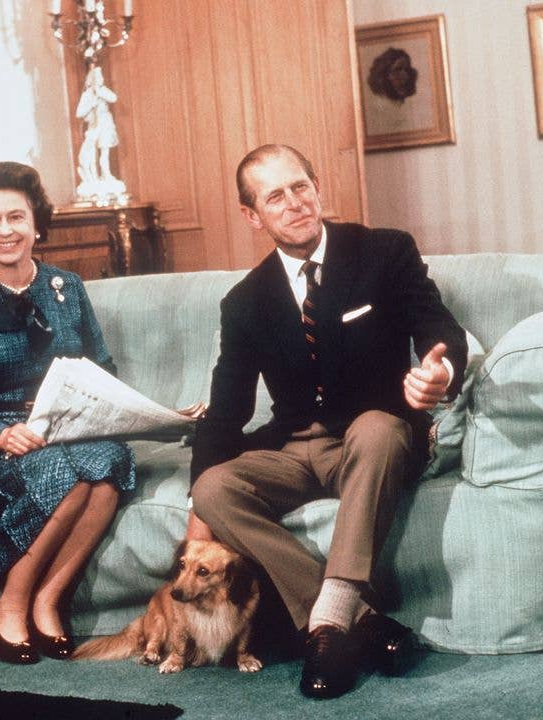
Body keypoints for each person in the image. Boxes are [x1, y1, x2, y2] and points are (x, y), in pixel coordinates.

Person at [187, 144, 467, 699]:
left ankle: (326, 625)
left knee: (378, 427)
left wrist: (443, 370)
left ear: (317, 187)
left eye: (300, 187)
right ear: (252, 216)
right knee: (214, 487)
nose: (294, 204)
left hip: (375, 441)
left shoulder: (383, 251)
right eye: (275, 197)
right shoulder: (243, 302)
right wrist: (197, 513)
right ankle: (363, 621)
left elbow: (437, 326)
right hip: (294, 450)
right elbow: (227, 411)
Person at [0, 161, 136, 665]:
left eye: (16, 217)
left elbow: (100, 367)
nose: (5, 231)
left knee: (110, 464)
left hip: (63, 428)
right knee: (69, 476)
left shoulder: (67, 287)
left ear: (36, 223)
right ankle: (10, 607)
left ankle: (47, 599)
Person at [75, 65, 127, 202]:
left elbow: (113, 98)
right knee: (91, 153)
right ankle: (93, 178)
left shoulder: (103, 91)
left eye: (101, 77)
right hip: (94, 126)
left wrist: (100, 93)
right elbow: (79, 113)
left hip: (105, 123)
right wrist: (91, 104)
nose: (100, 79)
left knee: (105, 152)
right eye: (97, 77)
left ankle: (106, 174)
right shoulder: (87, 95)